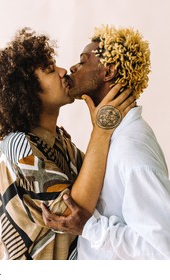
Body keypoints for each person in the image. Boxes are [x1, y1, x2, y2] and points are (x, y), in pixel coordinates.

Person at [0, 27, 135, 260]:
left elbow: (100, 181)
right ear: (28, 90)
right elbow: (74, 213)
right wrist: (101, 130)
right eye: (50, 70)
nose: (63, 71)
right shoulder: (18, 147)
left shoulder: (59, 141)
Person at [41, 25, 170, 259]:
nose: (72, 67)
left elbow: (162, 252)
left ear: (108, 72)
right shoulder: (110, 137)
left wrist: (89, 227)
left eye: (83, 61)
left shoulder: (131, 148)